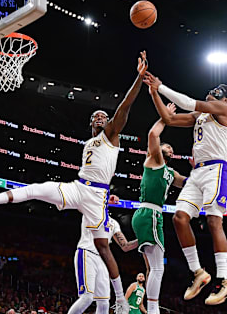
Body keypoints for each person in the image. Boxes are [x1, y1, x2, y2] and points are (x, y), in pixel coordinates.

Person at [0, 51, 148, 314]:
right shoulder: (89, 143)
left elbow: (124, 108)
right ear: (90, 124)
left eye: (103, 116)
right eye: (95, 116)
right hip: (80, 187)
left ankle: (120, 299)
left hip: (96, 196)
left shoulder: (111, 136)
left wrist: (138, 79)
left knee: (104, 247)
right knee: (39, 189)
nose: (100, 117)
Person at [143, 72, 227, 305]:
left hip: (217, 169)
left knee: (213, 221)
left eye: (215, 94)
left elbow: (189, 102)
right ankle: (198, 273)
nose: (211, 96)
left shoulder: (223, 110)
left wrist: (161, 86)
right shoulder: (201, 116)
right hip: (198, 172)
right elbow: (169, 119)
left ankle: (224, 279)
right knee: (179, 218)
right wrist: (153, 93)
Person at [131, 108, 187, 313]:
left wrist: (200, 171)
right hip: (149, 213)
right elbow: (153, 134)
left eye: (172, 149)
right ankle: (153, 309)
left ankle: (152, 308)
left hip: (152, 215)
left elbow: (185, 183)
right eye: (167, 147)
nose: (170, 149)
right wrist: (166, 117)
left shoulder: (170, 172)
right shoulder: (154, 160)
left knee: (154, 267)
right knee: (157, 268)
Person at [68, 215, 138, 314]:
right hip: (87, 253)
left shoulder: (113, 223)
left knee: (104, 302)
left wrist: (143, 239)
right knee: (87, 297)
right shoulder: (89, 209)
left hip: (103, 260)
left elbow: (125, 246)